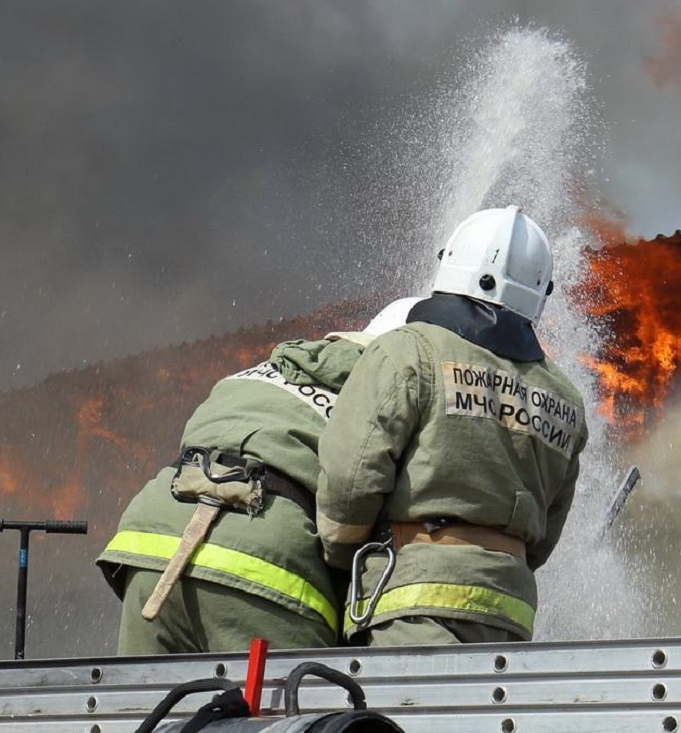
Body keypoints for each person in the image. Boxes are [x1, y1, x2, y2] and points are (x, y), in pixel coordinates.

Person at [316, 206, 589, 646]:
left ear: (450, 262)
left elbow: (350, 479)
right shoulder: (566, 397)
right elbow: (546, 531)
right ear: (540, 291)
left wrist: (343, 558)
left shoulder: (407, 351)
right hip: (509, 614)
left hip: (412, 602)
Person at [95, 297, 421, 654]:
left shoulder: (260, 371)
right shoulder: (392, 393)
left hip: (150, 544)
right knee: (298, 709)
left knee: (149, 705)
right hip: (264, 564)